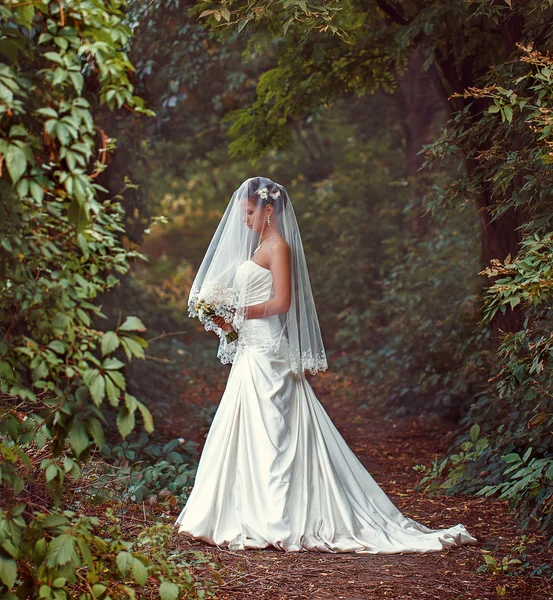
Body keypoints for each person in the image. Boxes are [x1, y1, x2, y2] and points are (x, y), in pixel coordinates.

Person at [175, 176, 477, 553]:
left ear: (269, 210)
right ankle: (235, 511)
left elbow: (282, 303)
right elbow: (249, 305)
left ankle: (276, 516)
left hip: (268, 349)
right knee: (243, 426)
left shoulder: (278, 247)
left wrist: (238, 312)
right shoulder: (257, 250)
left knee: (274, 429)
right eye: (243, 213)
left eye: (250, 212)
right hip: (250, 348)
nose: (244, 220)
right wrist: (224, 320)